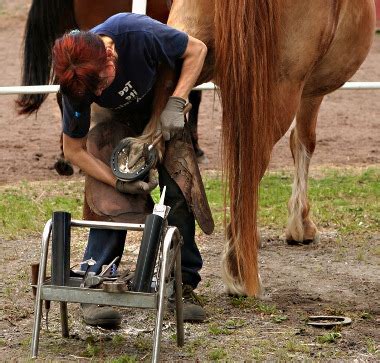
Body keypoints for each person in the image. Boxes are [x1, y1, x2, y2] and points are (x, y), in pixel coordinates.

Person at [52, 12, 210, 328]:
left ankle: (181, 283)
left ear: (110, 57)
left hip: (163, 107)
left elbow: (197, 50)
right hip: (113, 123)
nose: (97, 94)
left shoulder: (137, 33)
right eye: (92, 92)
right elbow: (73, 150)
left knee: (179, 189)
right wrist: (116, 181)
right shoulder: (78, 80)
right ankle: (95, 280)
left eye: (102, 84)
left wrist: (177, 103)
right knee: (109, 199)